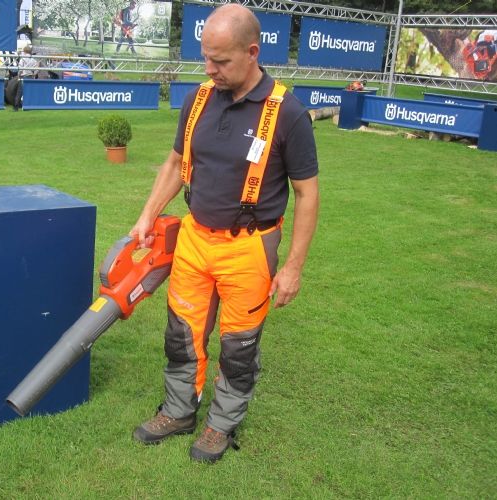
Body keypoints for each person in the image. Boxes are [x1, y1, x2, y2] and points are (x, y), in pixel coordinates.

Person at [130, 4, 319, 463]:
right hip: (194, 238)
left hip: (249, 247)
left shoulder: (288, 114)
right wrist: (148, 214)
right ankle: (179, 412)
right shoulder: (198, 99)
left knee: (238, 346)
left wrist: (293, 268)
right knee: (181, 333)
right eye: (205, 58)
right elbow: (176, 163)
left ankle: (221, 424)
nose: (209, 70)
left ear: (252, 53)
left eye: (220, 61)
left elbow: (307, 193)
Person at [13, 45, 39, 111]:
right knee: (29, 93)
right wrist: (33, 74)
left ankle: (16, 107)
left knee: (19, 93)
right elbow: (36, 70)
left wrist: (19, 75)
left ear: (24, 51)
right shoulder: (34, 60)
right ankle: (29, 106)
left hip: (23, 77)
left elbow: (20, 69)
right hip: (31, 78)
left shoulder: (22, 59)